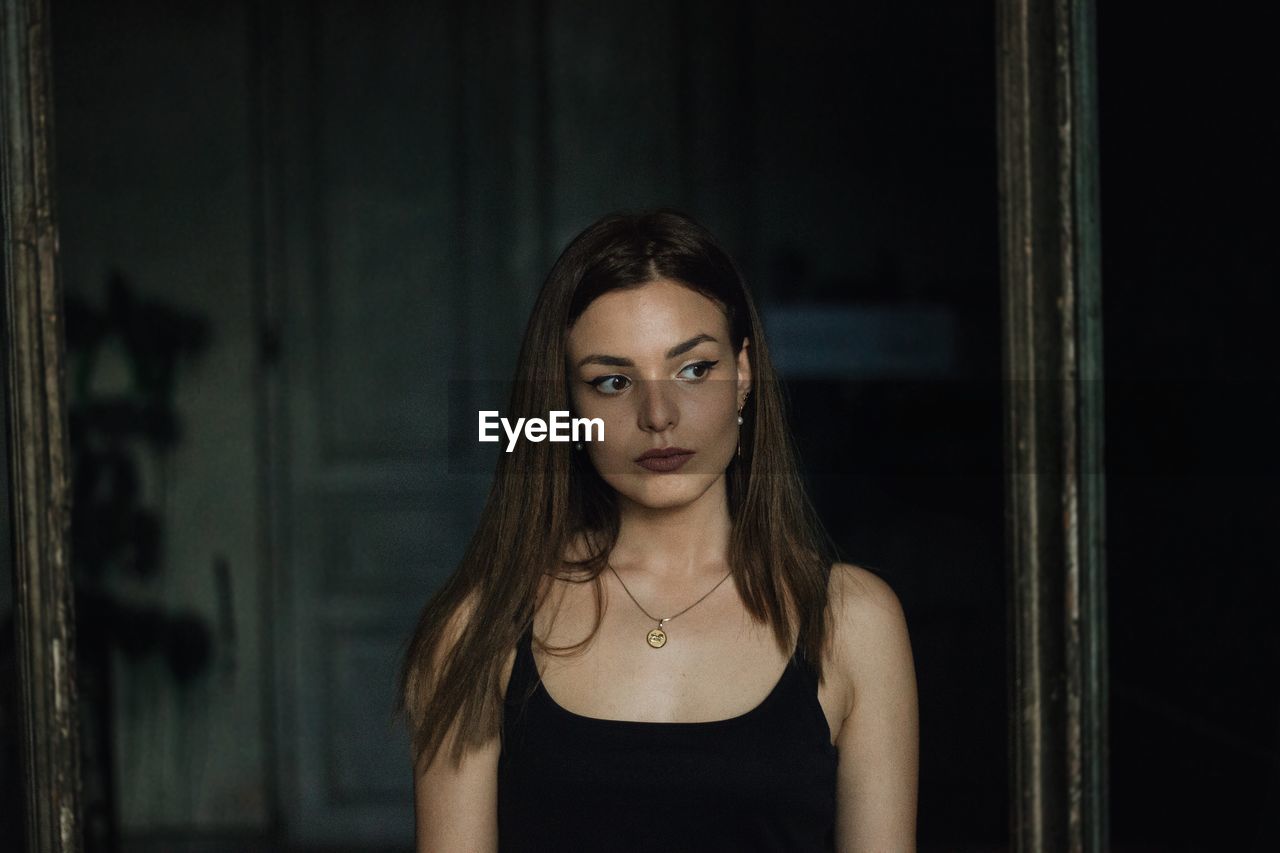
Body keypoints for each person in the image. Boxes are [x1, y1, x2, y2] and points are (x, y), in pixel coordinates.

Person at [396, 209, 918, 852]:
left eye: (694, 369)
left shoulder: (853, 621)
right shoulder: (479, 627)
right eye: (613, 382)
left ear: (744, 372)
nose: (659, 415)